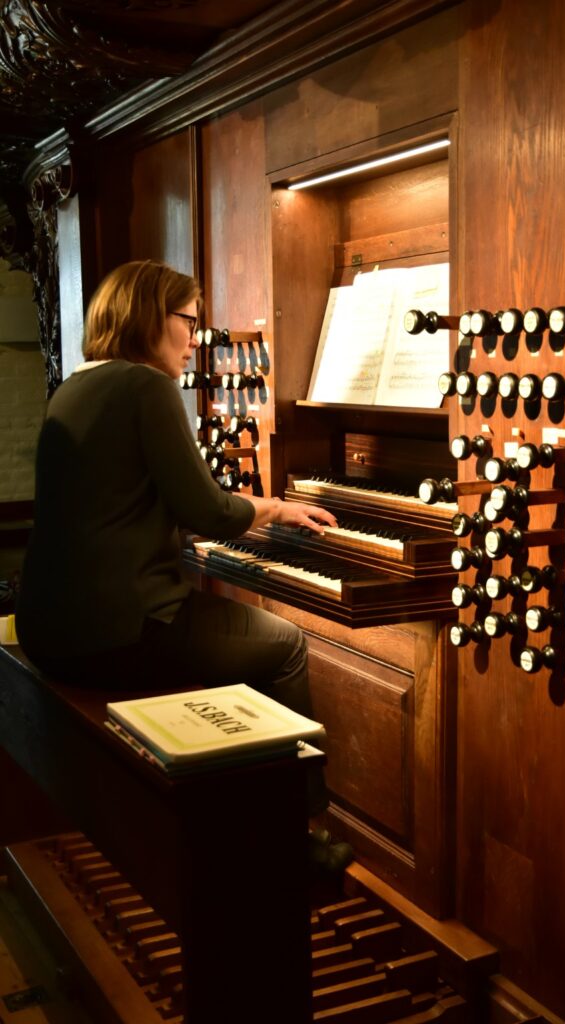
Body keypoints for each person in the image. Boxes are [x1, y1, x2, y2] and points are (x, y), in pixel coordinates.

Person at [16, 259, 351, 871]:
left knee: (231, 642)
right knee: (286, 646)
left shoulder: (74, 386)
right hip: (118, 635)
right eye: (189, 322)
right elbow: (209, 511)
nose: (195, 339)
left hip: (48, 630)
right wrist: (277, 508)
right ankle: (295, 834)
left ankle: (236, 812)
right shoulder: (146, 387)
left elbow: (133, 502)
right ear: (150, 317)